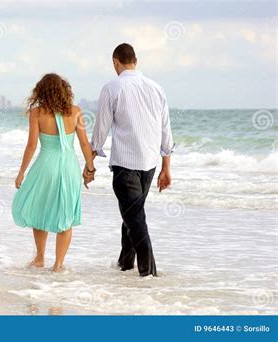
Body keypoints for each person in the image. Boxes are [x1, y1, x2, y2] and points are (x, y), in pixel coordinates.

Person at [85, 43, 175, 277]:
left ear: (116, 62)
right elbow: (166, 129)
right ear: (135, 60)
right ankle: (125, 264)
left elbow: (101, 129)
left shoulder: (112, 87)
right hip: (150, 164)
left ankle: (148, 274)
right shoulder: (156, 88)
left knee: (135, 218)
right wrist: (166, 168)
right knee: (132, 215)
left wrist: (90, 163)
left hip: (125, 165)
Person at [12, 73, 95, 272]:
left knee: (39, 208)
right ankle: (58, 264)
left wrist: (21, 172)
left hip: (45, 166)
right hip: (69, 167)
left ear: (40, 92)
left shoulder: (36, 113)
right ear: (64, 90)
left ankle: (40, 258)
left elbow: (31, 146)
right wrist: (90, 168)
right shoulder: (76, 112)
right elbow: (84, 143)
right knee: (65, 214)